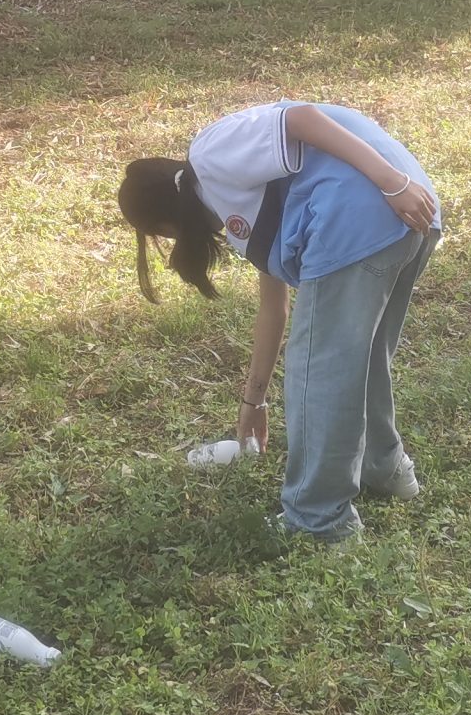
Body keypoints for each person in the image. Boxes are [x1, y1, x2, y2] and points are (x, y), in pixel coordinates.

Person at [117, 101, 441, 544]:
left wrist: (391, 182)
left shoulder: (210, 155)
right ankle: (385, 470)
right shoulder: (238, 203)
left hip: (382, 200)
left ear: (163, 223)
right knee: (361, 360)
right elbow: (275, 309)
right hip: (408, 213)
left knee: (318, 373)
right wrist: (254, 403)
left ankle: (319, 522)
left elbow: (301, 119)